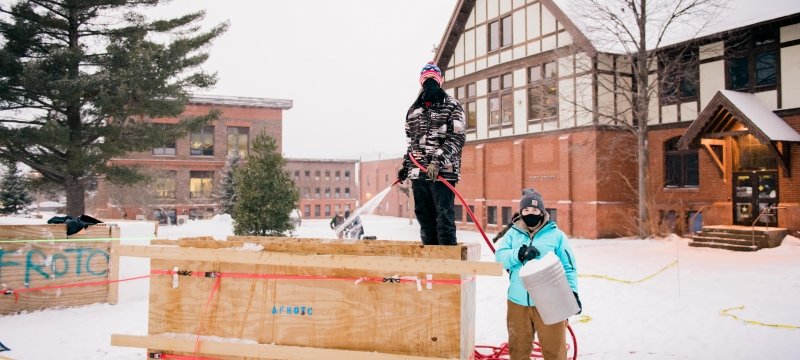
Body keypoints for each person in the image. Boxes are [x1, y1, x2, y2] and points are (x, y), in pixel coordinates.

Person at [495, 189, 580, 360]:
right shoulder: (513, 234)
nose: (530, 214)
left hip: (551, 302)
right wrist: (519, 254)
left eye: (535, 210)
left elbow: (569, 268)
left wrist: (573, 293)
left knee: (554, 351)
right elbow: (500, 258)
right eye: (526, 210)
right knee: (518, 350)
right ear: (521, 212)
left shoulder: (556, 236)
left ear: (542, 212)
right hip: (517, 302)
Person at [396, 61, 466, 246]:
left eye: (433, 79)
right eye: (426, 79)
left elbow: (457, 138)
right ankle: (431, 265)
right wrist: (406, 166)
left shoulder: (452, 106)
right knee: (425, 220)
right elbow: (411, 144)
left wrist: (438, 161)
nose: (430, 83)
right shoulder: (413, 111)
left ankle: (447, 268)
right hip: (419, 175)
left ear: (440, 81)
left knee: (444, 219)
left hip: (443, 174)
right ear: (421, 82)